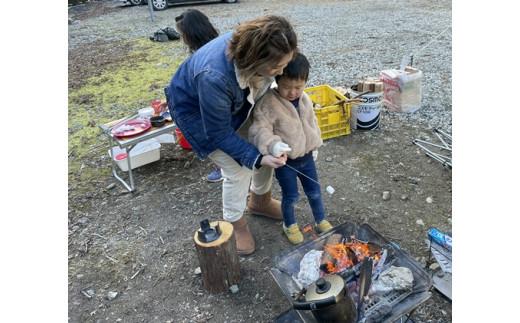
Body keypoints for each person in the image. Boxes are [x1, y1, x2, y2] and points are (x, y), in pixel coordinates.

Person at [166, 15, 298, 255]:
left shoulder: (260, 50)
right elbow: (217, 132)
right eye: (277, 68)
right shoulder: (214, 76)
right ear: (254, 60)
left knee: (268, 144)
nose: (282, 72)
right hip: (195, 111)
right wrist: (254, 158)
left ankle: (260, 201)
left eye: (284, 64)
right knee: (238, 167)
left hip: (236, 98)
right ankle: (235, 223)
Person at [248, 53, 332, 245]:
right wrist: (273, 145)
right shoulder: (269, 102)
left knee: (314, 191)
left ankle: (321, 219)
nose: (293, 92)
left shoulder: (305, 100)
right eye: (287, 87)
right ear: (277, 79)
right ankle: (290, 224)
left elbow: (312, 123)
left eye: (298, 87)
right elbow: (259, 129)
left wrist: (314, 144)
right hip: (286, 162)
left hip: (307, 157)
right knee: (291, 195)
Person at [174, 9, 223, 183]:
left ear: (191, 33)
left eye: (183, 34)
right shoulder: (216, 42)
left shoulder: (204, 54)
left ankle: (223, 167)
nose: (182, 38)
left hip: (215, 99)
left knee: (214, 128)